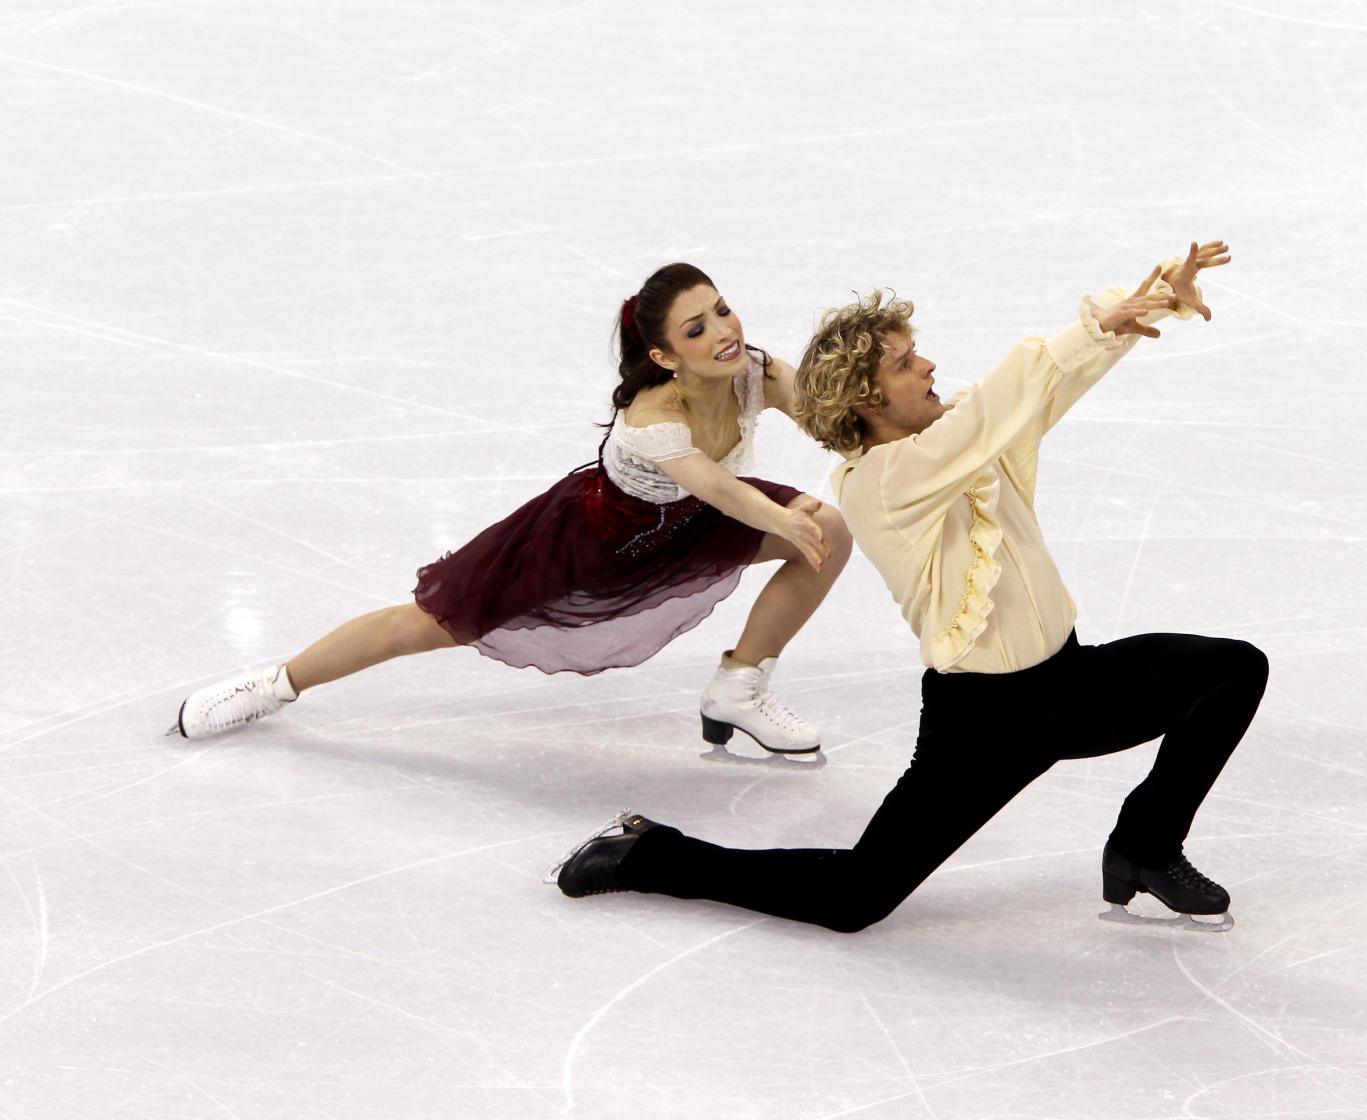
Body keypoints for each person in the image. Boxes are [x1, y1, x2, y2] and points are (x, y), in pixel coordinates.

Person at [547, 242, 1270, 931]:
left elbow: (1034, 398)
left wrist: (1140, 310)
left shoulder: (962, 436)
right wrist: (1089, 326)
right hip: (984, 726)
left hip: (1073, 683)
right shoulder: (880, 483)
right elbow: (998, 405)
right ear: (866, 397)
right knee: (855, 897)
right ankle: (649, 851)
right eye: (903, 362)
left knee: (1232, 671)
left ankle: (1144, 846)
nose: (927, 365)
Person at [172, 263, 852, 755]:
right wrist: (780, 518)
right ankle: (274, 683)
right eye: (697, 328)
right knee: (424, 626)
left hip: (689, 526)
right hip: (588, 544)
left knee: (829, 530)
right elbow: (717, 488)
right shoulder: (653, 417)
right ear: (662, 356)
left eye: (723, 309)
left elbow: (829, 421)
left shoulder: (755, 371)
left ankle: (739, 686)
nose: (725, 332)